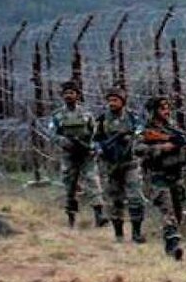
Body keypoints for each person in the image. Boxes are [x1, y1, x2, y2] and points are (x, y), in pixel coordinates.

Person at [136, 95, 186, 261]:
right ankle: (173, 244)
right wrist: (161, 148)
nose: (166, 111)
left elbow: (185, 154)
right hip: (157, 177)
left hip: (176, 177)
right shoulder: (145, 130)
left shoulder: (175, 130)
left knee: (177, 213)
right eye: (162, 108)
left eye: (168, 107)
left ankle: (170, 244)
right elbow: (137, 149)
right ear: (153, 111)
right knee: (168, 211)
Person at [47, 79, 107, 229]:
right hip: (69, 154)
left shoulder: (86, 114)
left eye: (72, 93)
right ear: (62, 96)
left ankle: (99, 214)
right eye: (66, 93)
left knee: (93, 181)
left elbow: (96, 132)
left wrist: (93, 146)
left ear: (77, 95)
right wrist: (64, 142)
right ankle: (71, 217)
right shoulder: (57, 116)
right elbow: (52, 134)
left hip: (86, 153)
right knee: (69, 185)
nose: (69, 96)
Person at [93, 86, 146, 244]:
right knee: (115, 199)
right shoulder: (102, 120)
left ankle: (136, 233)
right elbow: (95, 140)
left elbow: (141, 133)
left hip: (130, 163)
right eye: (109, 100)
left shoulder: (132, 118)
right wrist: (100, 149)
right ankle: (118, 235)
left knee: (135, 197)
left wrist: (131, 139)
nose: (112, 103)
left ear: (122, 102)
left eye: (115, 100)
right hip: (111, 164)